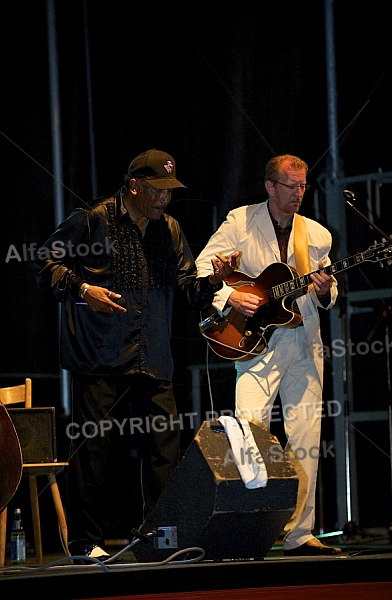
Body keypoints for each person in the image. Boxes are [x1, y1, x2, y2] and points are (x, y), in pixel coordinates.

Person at [33, 148, 235, 561]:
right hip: (101, 355)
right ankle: (83, 542)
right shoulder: (92, 219)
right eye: (157, 191)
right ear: (134, 186)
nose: (164, 199)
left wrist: (214, 279)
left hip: (152, 355)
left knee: (165, 448)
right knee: (93, 451)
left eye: (169, 192)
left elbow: (187, 290)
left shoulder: (172, 229)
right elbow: (44, 261)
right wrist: (83, 290)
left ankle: (161, 539)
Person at [195, 153, 342, 556]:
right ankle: (248, 528)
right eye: (291, 186)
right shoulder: (240, 221)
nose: (298, 193)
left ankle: (299, 534)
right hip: (255, 344)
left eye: (303, 186)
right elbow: (202, 268)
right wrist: (230, 294)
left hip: (303, 345)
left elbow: (327, 293)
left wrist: (326, 288)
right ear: (270, 186)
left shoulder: (317, 234)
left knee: (306, 440)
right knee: (248, 433)